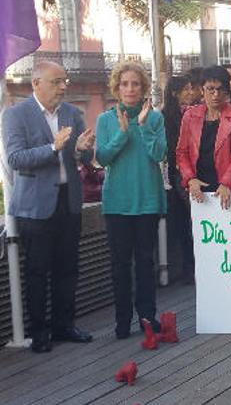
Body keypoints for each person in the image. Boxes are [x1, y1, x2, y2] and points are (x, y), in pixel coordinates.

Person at [2, 61, 96, 352]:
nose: (63, 87)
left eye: (64, 81)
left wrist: (82, 149)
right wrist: (53, 148)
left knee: (68, 267)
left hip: (68, 200)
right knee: (37, 269)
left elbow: (85, 156)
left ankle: (64, 325)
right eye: (56, 82)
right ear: (36, 84)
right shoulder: (15, 115)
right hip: (34, 206)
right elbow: (16, 159)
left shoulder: (72, 113)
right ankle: (39, 331)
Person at [95, 61, 167, 339]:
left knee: (145, 262)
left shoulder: (155, 117)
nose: (130, 89)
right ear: (117, 87)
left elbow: (159, 154)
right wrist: (123, 134)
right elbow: (102, 158)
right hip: (117, 203)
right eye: (124, 84)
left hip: (147, 199)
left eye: (135, 83)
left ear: (143, 87)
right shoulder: (105, 119)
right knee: (120, 264)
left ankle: (147, 316)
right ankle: (122, 320)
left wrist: (143, 127)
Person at [176, 66, 231, 210]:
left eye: (220, 89)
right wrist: (190, 179)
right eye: (210, 89)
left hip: (226, 184)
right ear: (202, 90)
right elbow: (182, 152)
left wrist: (227, 182)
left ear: (227, 91)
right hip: (197, 184)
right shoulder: (190, 115)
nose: (215, 94)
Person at [162, 74, 197, 284]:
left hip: (195, 171)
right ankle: (187, 267)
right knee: (183, 223)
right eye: (186, 89)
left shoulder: (194, 112)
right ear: (175, 93)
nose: (190, 93)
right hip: (178, 174)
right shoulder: (166, 116)